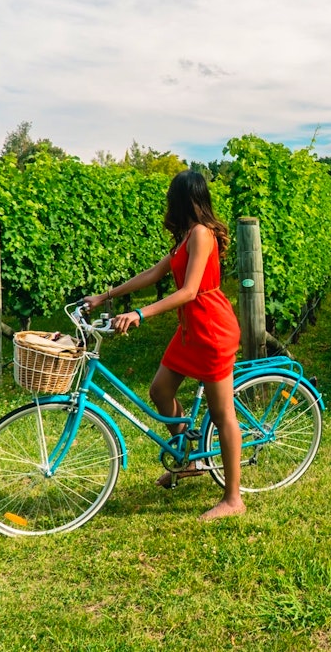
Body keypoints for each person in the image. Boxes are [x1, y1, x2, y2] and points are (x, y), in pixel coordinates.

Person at [83, 170, 244, 521]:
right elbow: (153, 275)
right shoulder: (186, 236)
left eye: (171, 197)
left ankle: (233, 499)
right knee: (160, 390)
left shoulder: (201, 234)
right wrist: (105, 296)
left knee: (222, 414)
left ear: (182, 199)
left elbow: (189, 291)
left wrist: (140, 313)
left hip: (211, 329)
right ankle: (190, 460)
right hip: (190, 329)